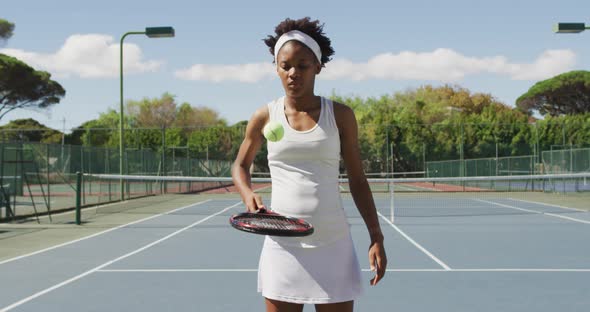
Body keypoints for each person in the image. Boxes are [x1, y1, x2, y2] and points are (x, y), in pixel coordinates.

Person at [232, 17, 387, 312]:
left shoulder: (340, 115)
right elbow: (240, 165)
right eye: (285, 65)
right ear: (276, 68)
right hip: (283, 245)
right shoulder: (264, 116)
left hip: (333, 242)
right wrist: (247, 194)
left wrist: (376, 237)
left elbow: (357, 179)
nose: (293, 73)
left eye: (302, 65)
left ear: (318, 66)